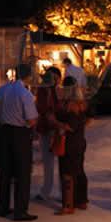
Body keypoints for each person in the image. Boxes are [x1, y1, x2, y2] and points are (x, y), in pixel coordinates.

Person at [0, 64, 39, 221]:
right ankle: (20, 211)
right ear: (29, 76)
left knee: (5, 172)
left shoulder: (3, 89)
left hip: (3, 133)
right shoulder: (25, 94)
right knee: (22, 173)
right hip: (20, 134)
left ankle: (2, 207)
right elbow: (31, 120)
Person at [54, 76, 89, 215]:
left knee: (67, 172)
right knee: (79, 170)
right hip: (79, 141)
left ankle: (68, 205)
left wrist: (55, 122)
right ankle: (81, 200)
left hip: (69, 143)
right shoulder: (82, 104)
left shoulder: (71, 106)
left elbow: (69, 126)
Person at [35, 68, 67, 202]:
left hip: (54, 130)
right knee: (50, 162)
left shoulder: (54, 91)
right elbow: (43, 110)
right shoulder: (46, 91)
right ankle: (50, 191)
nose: (55, 80)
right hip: (50, 129)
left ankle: (55, 191)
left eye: (57, 77)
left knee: (55, 162)